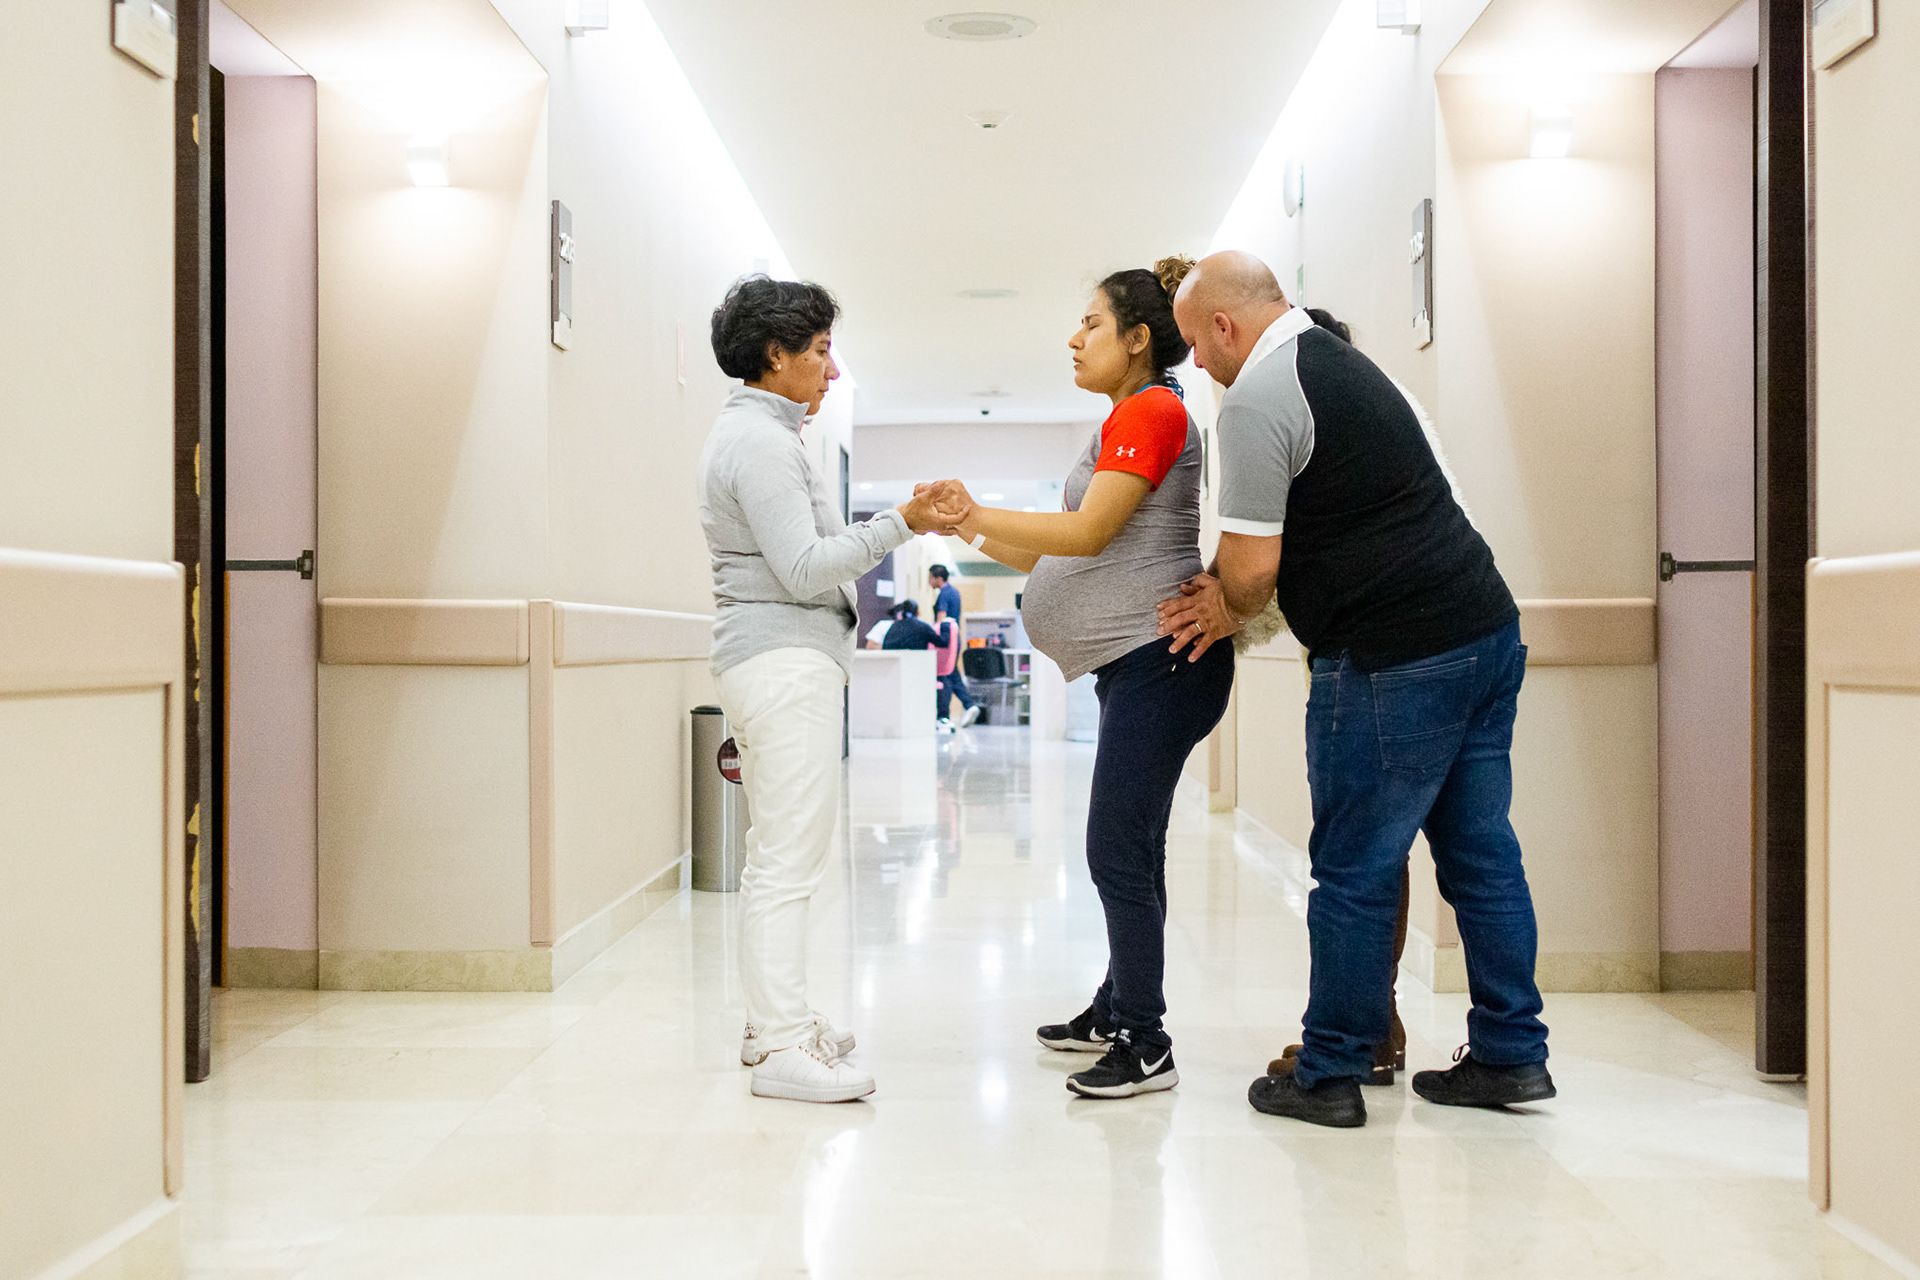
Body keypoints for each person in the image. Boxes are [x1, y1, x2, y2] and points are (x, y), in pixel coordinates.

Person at [1159, 251, 1552, 1128]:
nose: (1196, 364)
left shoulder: (1259, 398)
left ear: (1223, 325)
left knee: (1354, 868)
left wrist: (1219, 606)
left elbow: (1250, 573)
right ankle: (1511, 1054)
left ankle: (1330, 1069)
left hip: (1393, 656)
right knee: (1482, 856)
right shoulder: (1341, 364)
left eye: (1195, 344)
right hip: (1483, 631)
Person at [929, 256, 1234, 1099]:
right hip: (1139, 666)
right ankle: (1117, 1006)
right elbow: (1051, 551)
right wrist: (966, 526)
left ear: (1137, 339)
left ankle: (1145, 1039)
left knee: (1115, 850)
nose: (1074, 338)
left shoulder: (1152, 409)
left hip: (1162, 664)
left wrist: (977, 509)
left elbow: (1091, 532)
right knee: (1133, 847)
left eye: (1091, 323)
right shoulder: (1128, 418)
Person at [698, 274, 958, 1104]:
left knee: (779, 852)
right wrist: (903, 523)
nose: (832, 371)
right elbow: (806, 568)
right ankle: (780, 1044)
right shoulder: (760, 443)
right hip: (783, 661)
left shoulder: (764, 435)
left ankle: (771, 1021)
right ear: (775, 355)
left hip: (778, 660)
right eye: (819, 352)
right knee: (788, 859)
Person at [926, 565, 980, 725]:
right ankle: (969, 705)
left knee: (944, 674)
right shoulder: (954, 592)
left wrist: (932, 638)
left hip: (945, 640)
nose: (929, 581)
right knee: (952, 673)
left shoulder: (944, 594)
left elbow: (941, 619)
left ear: (938, 578)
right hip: (954, 639)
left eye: (930, 578)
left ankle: (943, 716)